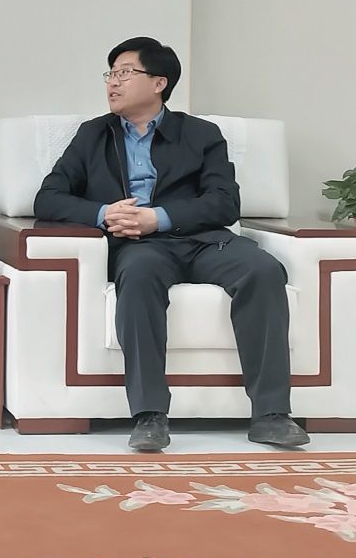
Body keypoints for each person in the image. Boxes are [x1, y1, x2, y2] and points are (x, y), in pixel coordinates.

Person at [33, 37, 309, 452]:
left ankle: (271, 415)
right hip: (139, 247)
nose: (112, 83)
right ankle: (149, 416)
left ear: (159, 82)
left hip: (204, 241)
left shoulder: (201, 134)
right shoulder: (93, 135)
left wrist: (158, 217)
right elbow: (48, 198)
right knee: (139, 273)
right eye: (110, 74)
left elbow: (225, 203)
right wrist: (104, 213)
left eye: (125, 73)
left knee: (264, 269)